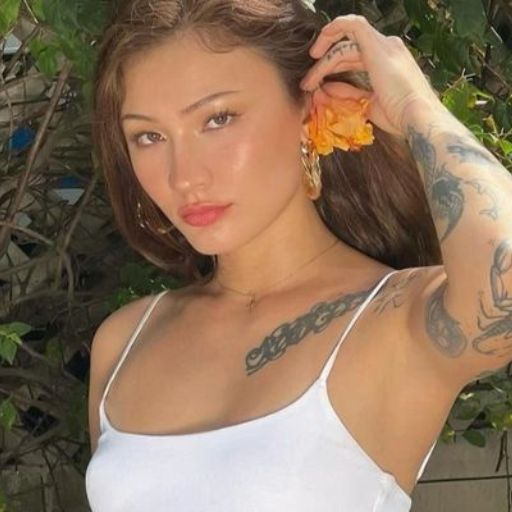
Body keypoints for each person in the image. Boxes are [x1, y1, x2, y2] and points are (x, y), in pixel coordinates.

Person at [85, 1, 512, 511]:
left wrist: (414, 105)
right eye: (149, 136)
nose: (184, 176)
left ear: (309, 107)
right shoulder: (125, 340)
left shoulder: (393, 322)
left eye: (218, 119)